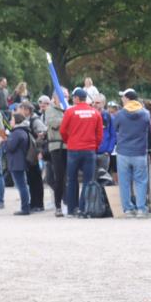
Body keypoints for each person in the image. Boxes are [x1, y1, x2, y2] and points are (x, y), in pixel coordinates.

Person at [59, 87, 102, 216]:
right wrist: (95, 146)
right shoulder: (95, 113)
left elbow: (62, 130)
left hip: (73, 149)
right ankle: (85, 207)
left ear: (77, 98)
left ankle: (73, 209)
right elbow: (99, 133)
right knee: (88, 180)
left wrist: (69, 141)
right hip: (89, 150)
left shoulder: (70, 112)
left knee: (72, 180)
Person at [113, 89, 151, 217]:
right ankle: (141, 208)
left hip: (123, 152)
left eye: (123, 97)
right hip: (140, 152)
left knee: (124, 182)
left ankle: (128, 209)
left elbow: (114, 128)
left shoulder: (120, 114)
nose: (122, 100)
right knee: (141, 181)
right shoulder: (146, 114)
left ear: (128, 99)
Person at [18, 102, 47, 212]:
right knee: (31, 179)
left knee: (36, 179)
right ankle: (34, 203)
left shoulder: (36, 121)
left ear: (27, 110)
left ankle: (38, 204)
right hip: (31, 153)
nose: (19, 111)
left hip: (34, 153)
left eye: (21, 109)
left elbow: (43, 133)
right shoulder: (28, 120)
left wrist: (39, 149)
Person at [43, 92, 67, 217]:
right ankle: (58, 205)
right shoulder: (50, 110)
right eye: (63, 96)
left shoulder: (68, 108)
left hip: (69, 146)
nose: (65, 98)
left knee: (69, 177)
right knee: (58, 177)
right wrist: (68, 118)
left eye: (67, 96)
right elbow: (53, 123)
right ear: (55, 97)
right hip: (56, 146)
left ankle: (70, 203)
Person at [5, 111, 32, 215]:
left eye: (12, 119)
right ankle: (26, 206)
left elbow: (10, 147)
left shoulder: (17, 133)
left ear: (16, 120)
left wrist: (6, 140)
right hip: (20, 162)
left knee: (21, 186)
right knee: (23, 185)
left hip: (17, 163)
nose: (10, 122)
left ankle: (25, 208)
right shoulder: (22, 131)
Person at [93, 94, 117, 177]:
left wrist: (108, 151)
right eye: (93, 102)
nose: (94, 104)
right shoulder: (89, 115)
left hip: (104, 153)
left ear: (103, 103)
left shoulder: (110, 117)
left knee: (103, 179)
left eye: (97, 102)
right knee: (91, 179)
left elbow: (113, 135)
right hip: (91, 152)